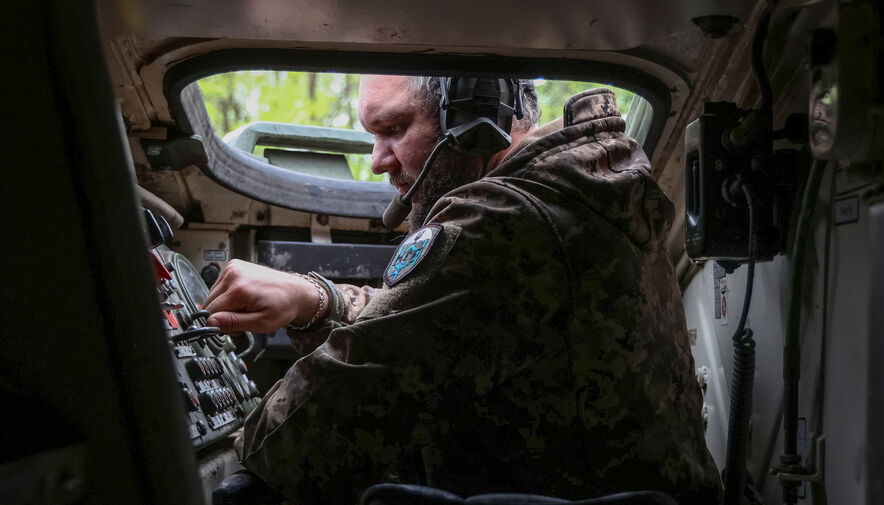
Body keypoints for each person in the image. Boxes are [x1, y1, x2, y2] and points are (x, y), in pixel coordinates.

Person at [205, 75, 722, 504]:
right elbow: (424, 321)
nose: (377, 160)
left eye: (393, 129)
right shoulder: (576, 184)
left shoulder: (505, 218)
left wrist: (220, 457)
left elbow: (334, 406)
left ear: (475, 116)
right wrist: (316, 302)